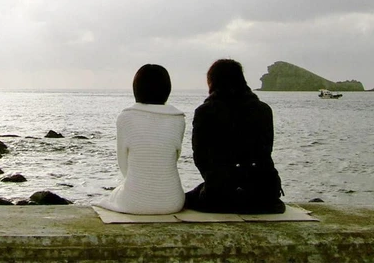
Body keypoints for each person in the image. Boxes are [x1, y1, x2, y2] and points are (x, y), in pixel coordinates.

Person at [185, 59, 285, 214]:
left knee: (188, 198)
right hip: (265, 194)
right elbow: (266, 150)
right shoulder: (264, 110)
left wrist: (218, 180)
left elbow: (200, 158)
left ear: (212, 82)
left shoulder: (205, 112)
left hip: (222, 195)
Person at [96, 64, 186, 214]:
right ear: (167, 89)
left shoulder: (126, 117)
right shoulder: (178, 119)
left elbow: (123, 164)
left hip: (134, 203)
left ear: (136, 88)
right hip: (173, 202)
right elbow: (174, 157)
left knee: (114, 195)